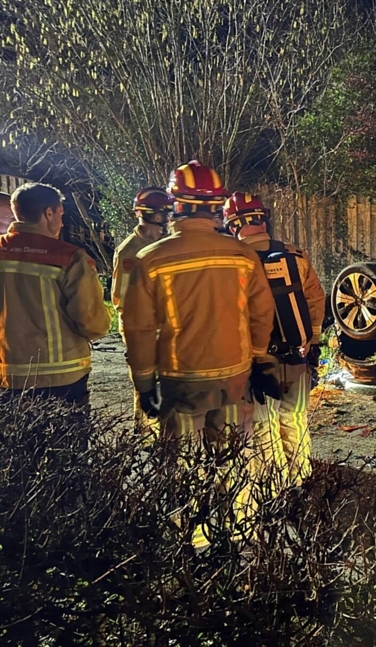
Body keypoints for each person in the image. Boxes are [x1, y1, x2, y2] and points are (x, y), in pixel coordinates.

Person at [122, 162, 278, 549]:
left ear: (176, 205)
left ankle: (190, 549)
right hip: (233, 379)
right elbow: (262, 312)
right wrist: (257, 358)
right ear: (216, 207)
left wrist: (144, 384)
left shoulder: (152, 259)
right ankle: (229, 539)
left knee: (182, 470)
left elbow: (137, 329)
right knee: (230, 463)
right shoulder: (243, 255)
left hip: (179, 383)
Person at [223, 192, 325, 489]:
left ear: (232, 225)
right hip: (297, 355)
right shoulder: (295, 255)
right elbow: (316, 301)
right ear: (263, 218)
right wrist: (312, 344)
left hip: (259, 362)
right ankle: (301, 482)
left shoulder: (234, 260)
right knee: (295, 420)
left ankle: (274, 491)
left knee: (263, 427)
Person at [0, 183, 110, 409]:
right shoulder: (70, 258)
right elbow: (91, 322)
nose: (61, 222)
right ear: (48, 213)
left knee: (16, 442)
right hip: (62, 376)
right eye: (60, 215)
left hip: (7, 374)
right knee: (67, 442)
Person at [111, 187, 173, 442]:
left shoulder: (162, 245)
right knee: (146, 382)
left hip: (163, 325)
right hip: (142, 327)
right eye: (161, 214)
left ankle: (160, 431)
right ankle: (146, 436)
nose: (164, 220)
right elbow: (121, 298)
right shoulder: (130, 252)